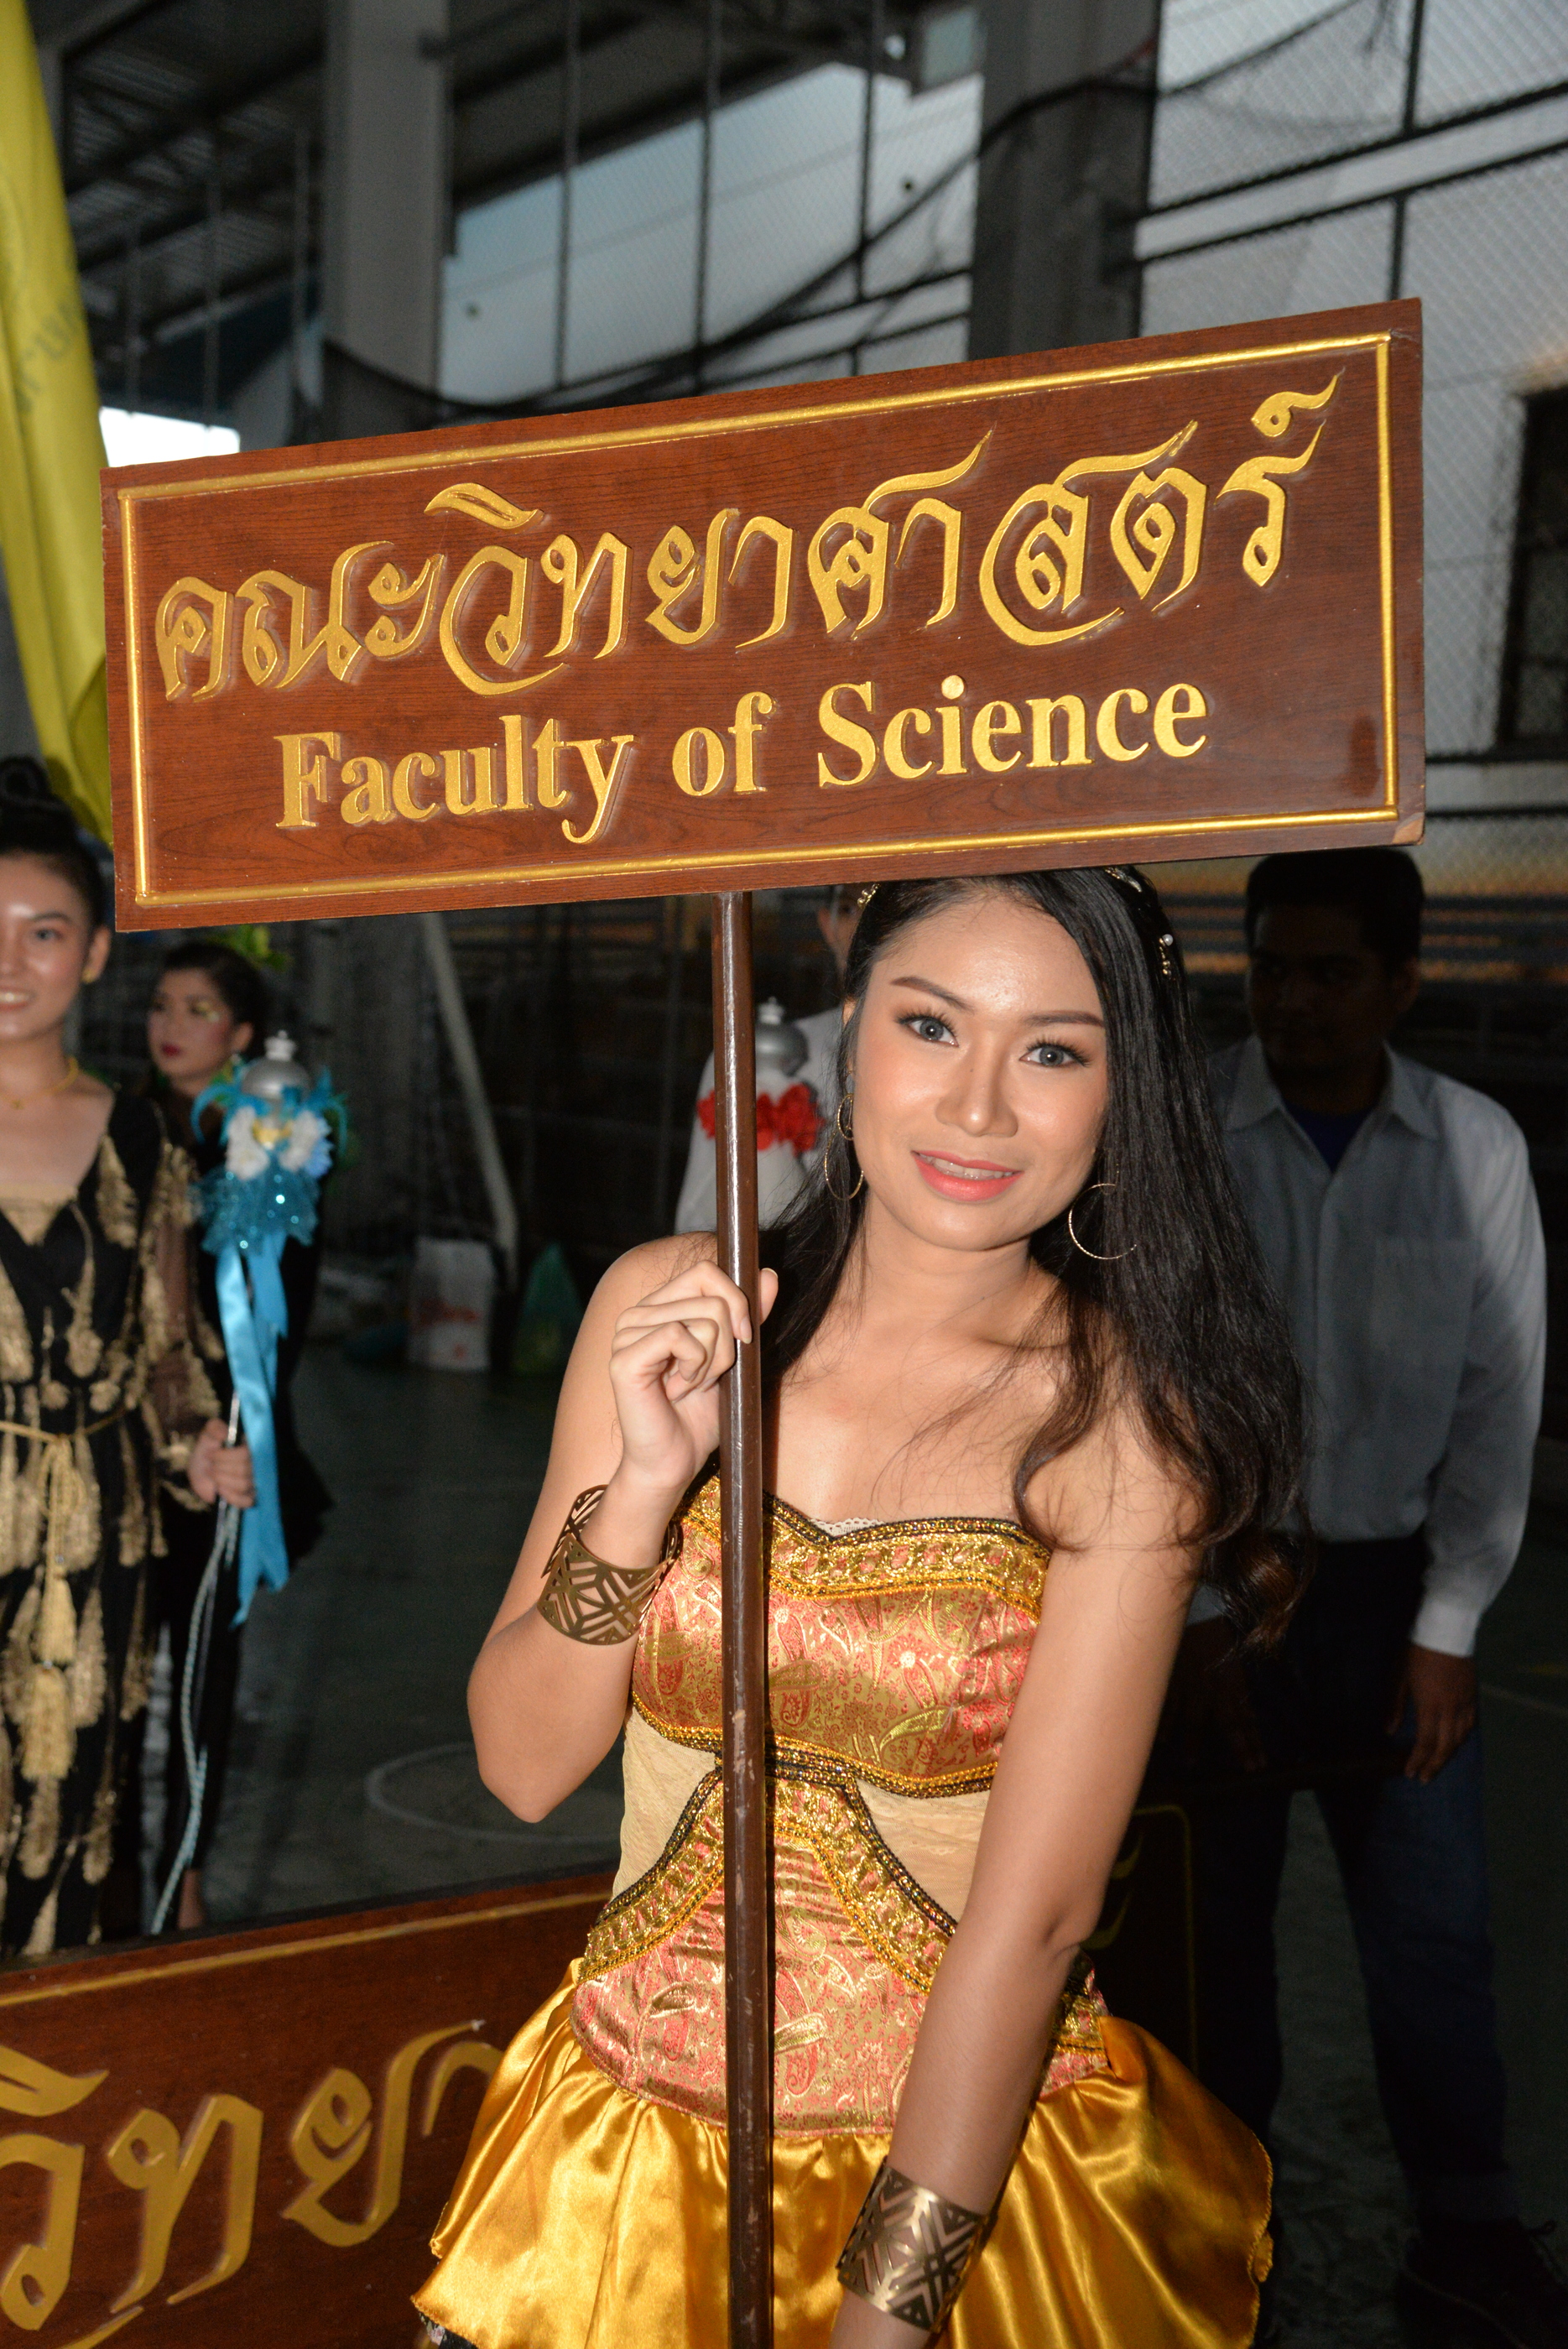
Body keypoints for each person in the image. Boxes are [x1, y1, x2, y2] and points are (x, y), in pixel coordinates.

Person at [416, 865, 1305, 2349]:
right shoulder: (668, 1306)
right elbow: (519, 1765)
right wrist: (643, 1488)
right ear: (849, 1026)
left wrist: (887, 2310)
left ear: (1123, 1091)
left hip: (946, 2183)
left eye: (1052, 1050)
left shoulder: (1120, 1427)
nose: (977, 1109)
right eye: (929, 1025)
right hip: (616, 2166)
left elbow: (1037, 1918)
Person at [1185, 846, 1568, 2342]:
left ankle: (1466, 2236)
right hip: (1214, 1588)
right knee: (1211, 1942)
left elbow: (1497, 1396)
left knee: (1430, 1932)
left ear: (1402, 982)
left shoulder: (1467, 1149)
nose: (1293, 1002)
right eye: (1272, 968)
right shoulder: (1187, 1135)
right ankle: (1215, 2243)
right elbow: (1145, 1380)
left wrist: (1447, 1625)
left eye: (1332, 973)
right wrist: (1197, 1616)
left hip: (1394, 1606)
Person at [0, 761, 253, 1959]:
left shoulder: (148, 1139)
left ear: (96, 952)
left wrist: (195, 1445)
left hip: (99, 1535)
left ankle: (51, 2052)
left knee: (78, 1795)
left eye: (44, 932)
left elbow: (168, 1349)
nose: (10, 962)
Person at [138, 938, 331, 1930]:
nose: (172, 1026)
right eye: (162, 1005)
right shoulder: (121, 1127)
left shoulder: (271, 1138)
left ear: (244, 1034)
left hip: (227, 1449)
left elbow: (280, 1315)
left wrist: (233, 1433)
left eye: (200, 1009)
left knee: (202, 1674)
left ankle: (186, 1879)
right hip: (131, 1440)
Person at [674, 883, 858, 1232]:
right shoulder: (759, 1058)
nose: (865, 928)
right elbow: (701, 1224)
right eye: (850, 909)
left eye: (882, 901)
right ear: (828, 924)